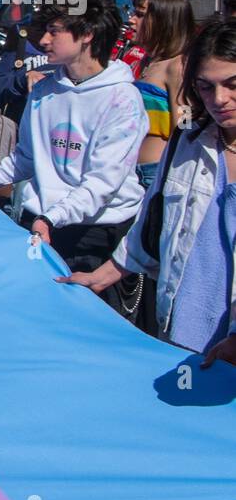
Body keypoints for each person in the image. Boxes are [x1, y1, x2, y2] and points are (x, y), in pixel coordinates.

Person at [0, 0, 147, 316]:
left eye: (54, 31)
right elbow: (26, 159)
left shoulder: (122, 98)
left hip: (96, 235)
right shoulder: (44, 90)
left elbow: (103, 183)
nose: (43, 40)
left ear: (87, 34)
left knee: (91, 335)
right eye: (43, 30)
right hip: (42, 229)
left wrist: (51, 217)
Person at [60, 18, 236, 353]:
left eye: (232, 84)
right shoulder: (187, 139)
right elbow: (153, 223)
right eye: (205, 86)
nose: (219, 98)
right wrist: (101, 277)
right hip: (180, 334)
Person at [130, 0, 195, 190]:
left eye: (140, 15)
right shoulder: (145, 61)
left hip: (155, 174)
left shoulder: (177, 67)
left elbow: (185, 124)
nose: (132, 20)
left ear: (163, 21)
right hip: (130, 172)